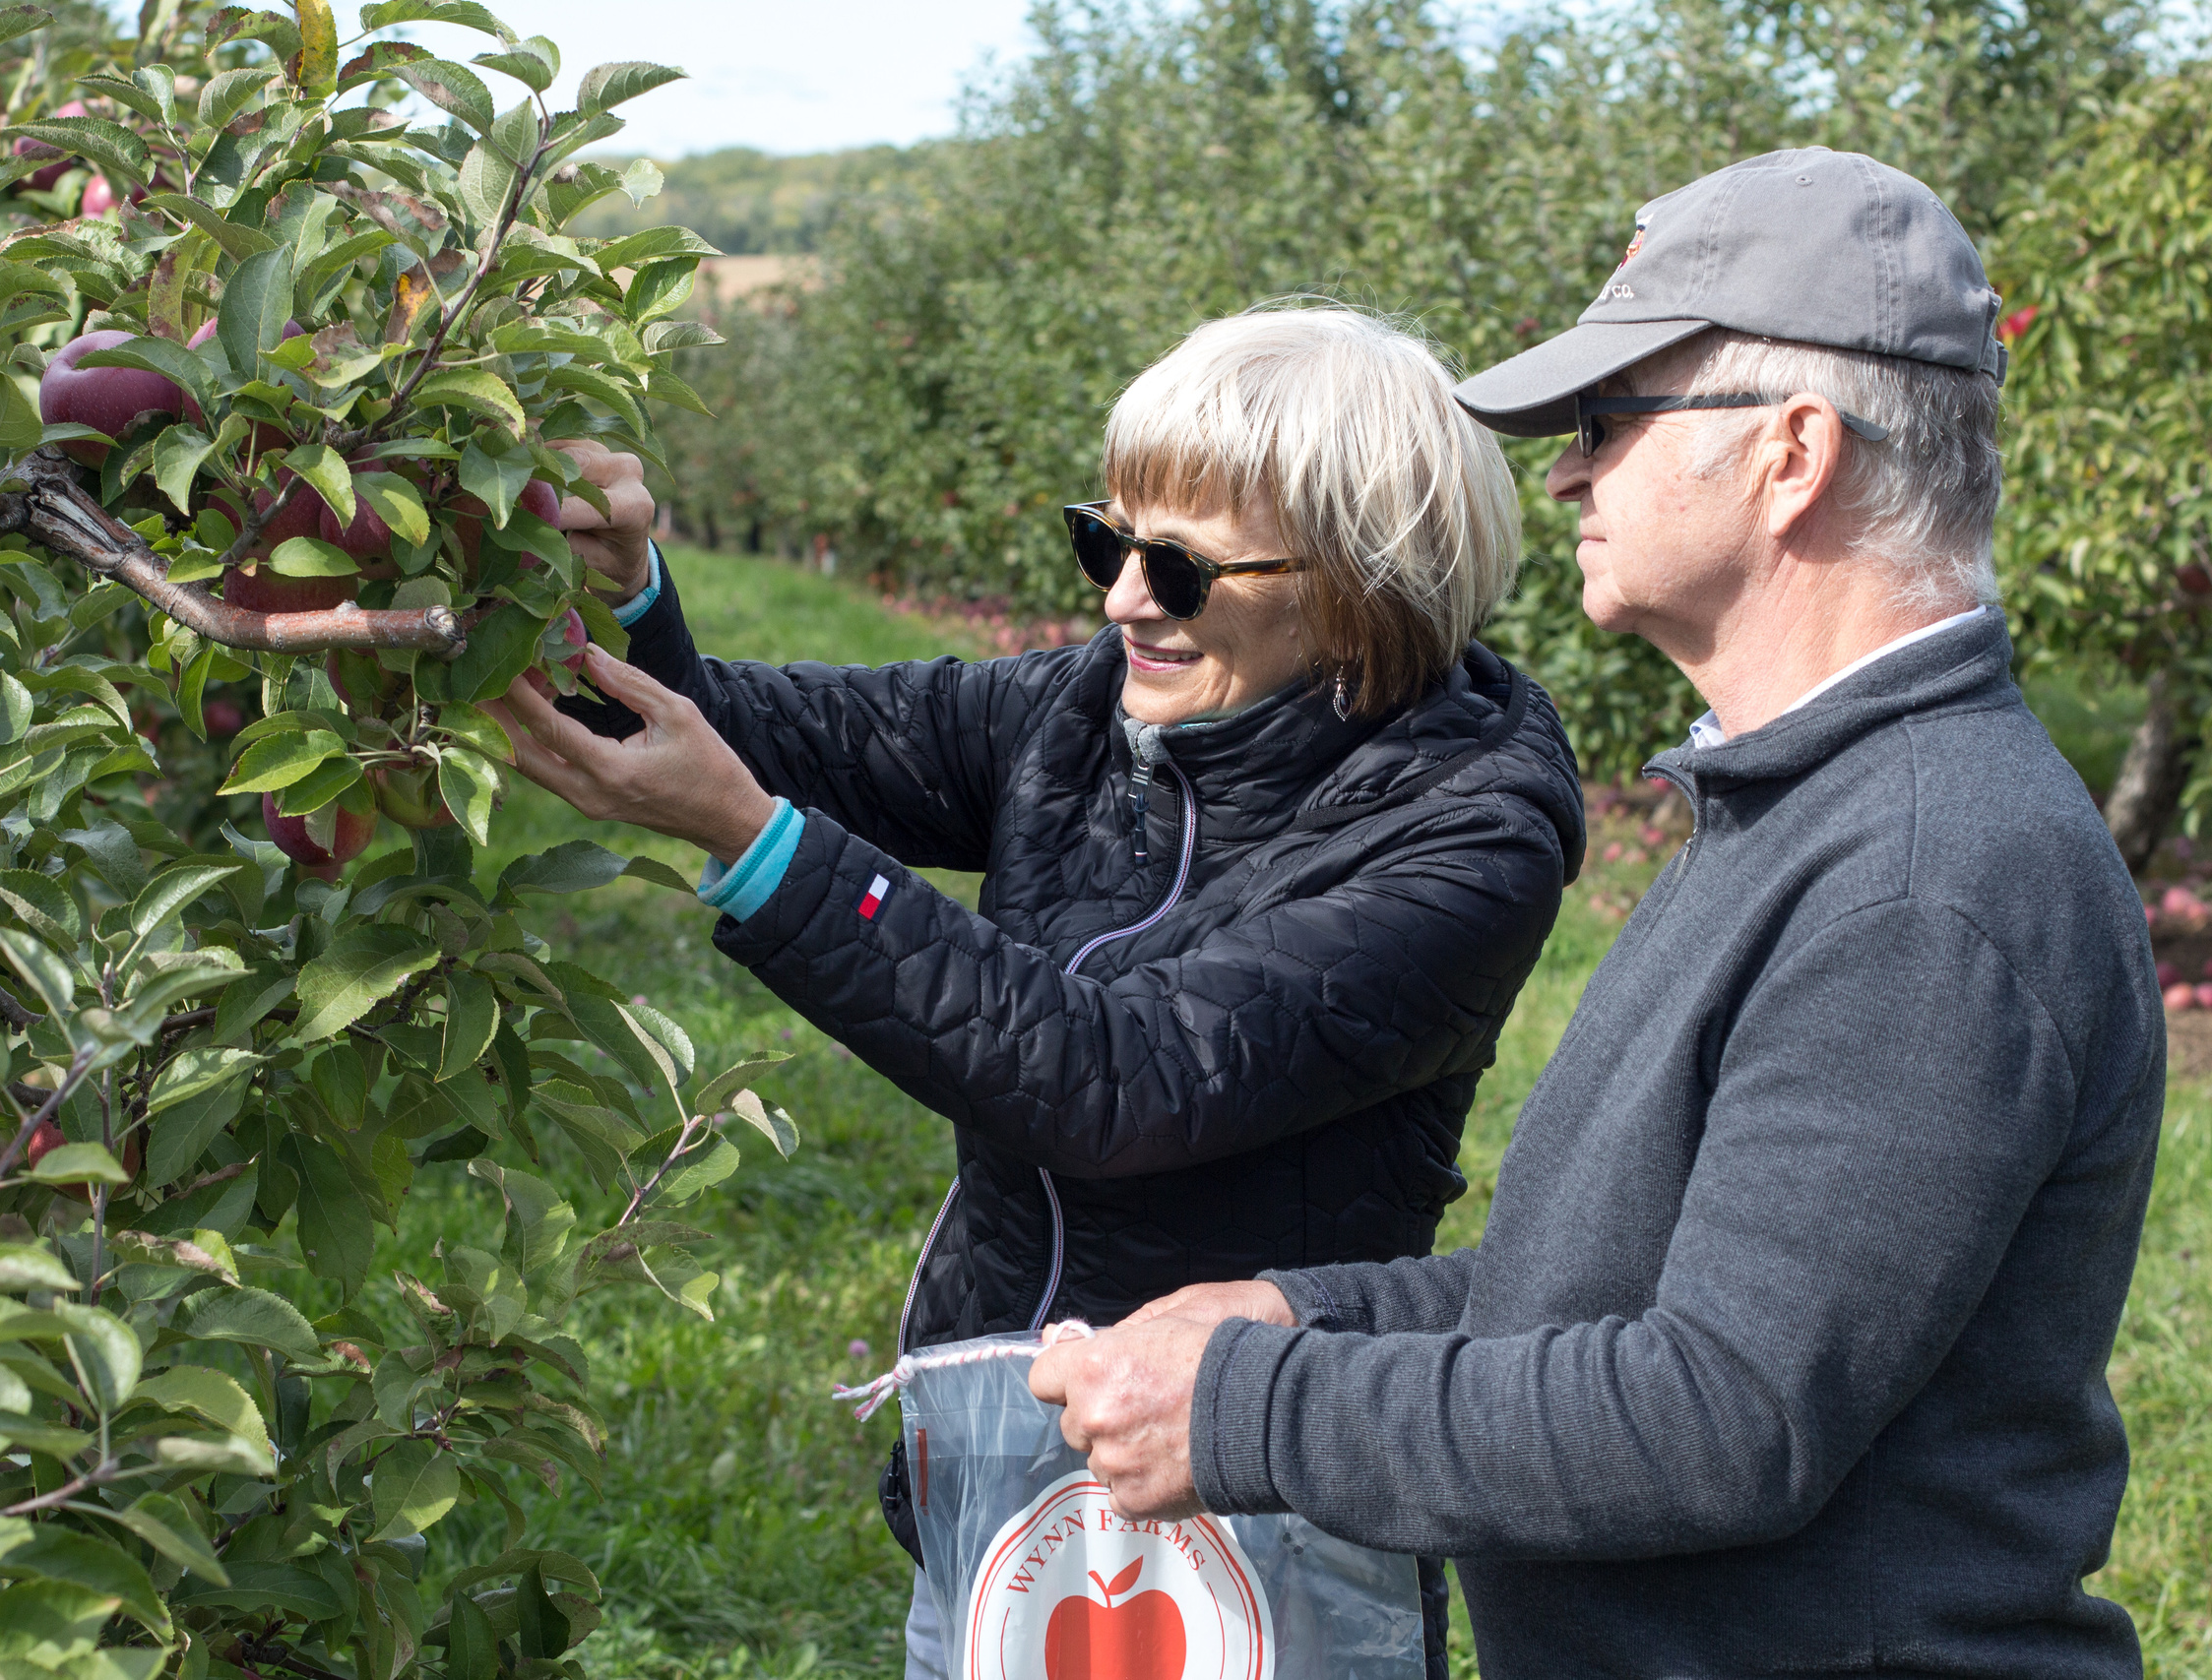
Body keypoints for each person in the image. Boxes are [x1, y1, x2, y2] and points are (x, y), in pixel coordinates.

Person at [1027, 148, 2164, 1677]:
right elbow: (1624, 1291)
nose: (1564, 472)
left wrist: (1242, 1411)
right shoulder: (1805, 812)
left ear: (1791, 453)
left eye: (1610, 424)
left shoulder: (1923, 877)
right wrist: (1310, 1311)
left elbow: (1722, 1417)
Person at [487, 305, 1587, 1676]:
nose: (1122, 598)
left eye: (1177, 568)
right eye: (1107, 540)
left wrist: (762, 851)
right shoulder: (1080, 716)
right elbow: (769, 735)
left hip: (1254, 1500)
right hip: (1015, 1456)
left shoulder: (1463, 833)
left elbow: (1118, 1082)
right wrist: (620, 593)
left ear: (1363, 581)